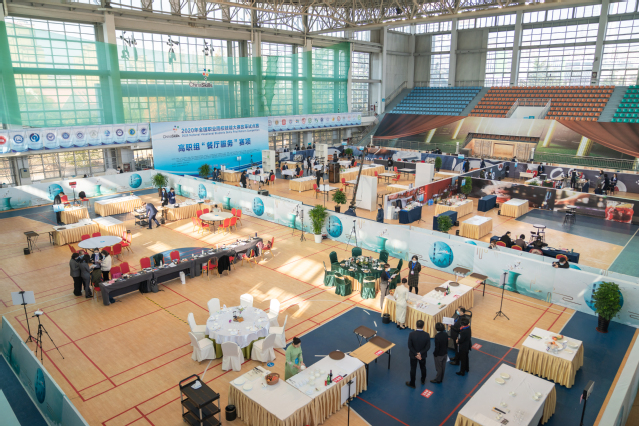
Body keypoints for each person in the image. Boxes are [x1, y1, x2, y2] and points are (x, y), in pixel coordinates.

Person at [406, 319, 430, 388]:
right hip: (422, 355)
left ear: (416, 325)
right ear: (423, 326)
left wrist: (416, 354)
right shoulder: (426, 335)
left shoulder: (411, 334)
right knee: (423, 367)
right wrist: (420, 353)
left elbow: (410, 346)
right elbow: (428, 347)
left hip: (413, 355)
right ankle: (423, 380)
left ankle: (412, 383)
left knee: (413, 368)